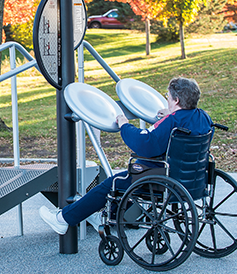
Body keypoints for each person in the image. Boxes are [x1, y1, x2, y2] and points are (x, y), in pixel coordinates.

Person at [39, 77, 213, 235]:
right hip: (193, 178)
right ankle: (105, 213)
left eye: (167, 97)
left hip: (161, 177)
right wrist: (172, 114)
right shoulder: (204, 117)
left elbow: (145, 144)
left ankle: (64, 219)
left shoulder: (171, 122)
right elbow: (184, 122)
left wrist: (124, 125)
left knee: (112, 183)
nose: (166, 100)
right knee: (122, 180)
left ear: (176, 100)